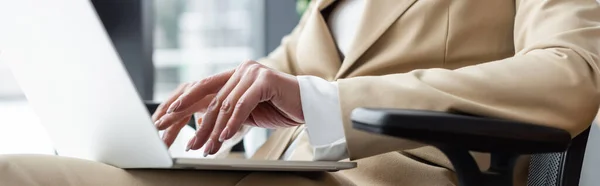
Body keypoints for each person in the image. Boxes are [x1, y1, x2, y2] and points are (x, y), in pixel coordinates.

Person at [2, 0, 600, 185]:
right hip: (264, 175)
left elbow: (571, 72)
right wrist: (219, 97)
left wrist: (321, 103)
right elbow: (284, 73)